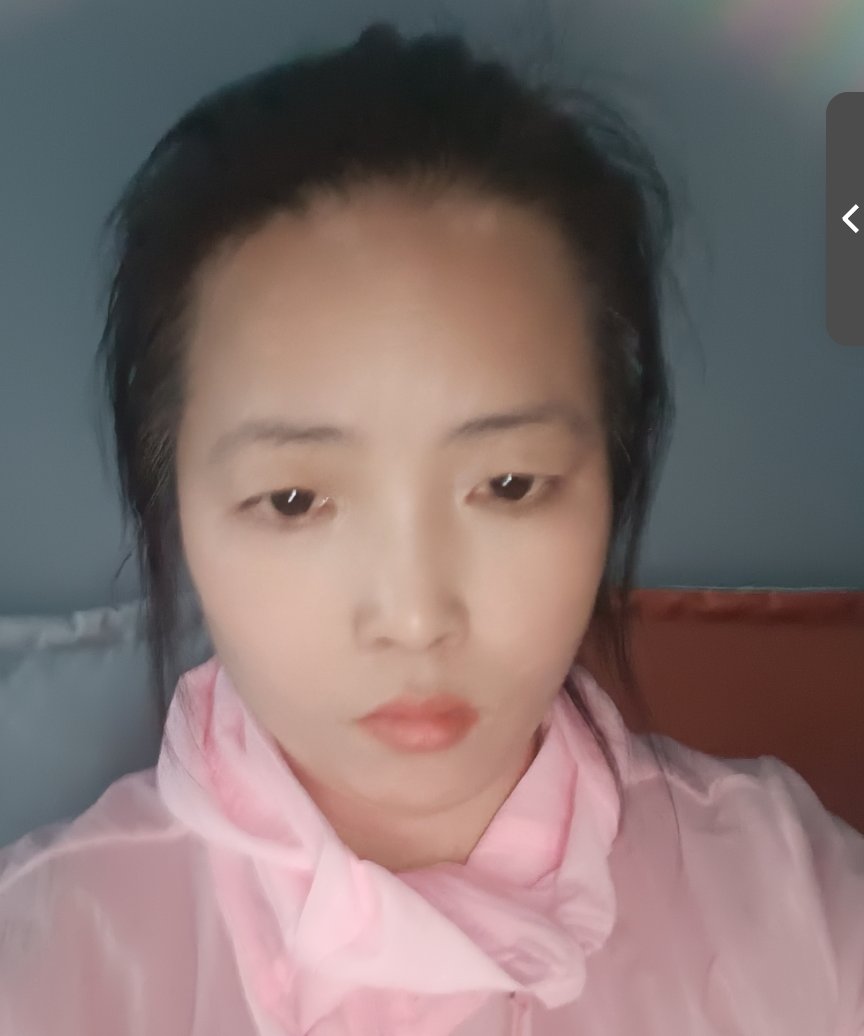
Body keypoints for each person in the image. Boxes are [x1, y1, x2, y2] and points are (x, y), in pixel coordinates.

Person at [0, 21, 861, 1036]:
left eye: (509, 483)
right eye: (294, 501)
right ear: (175, 493)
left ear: (612, 470)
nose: (415, 618)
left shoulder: (791, 901)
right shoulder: (44, 958)